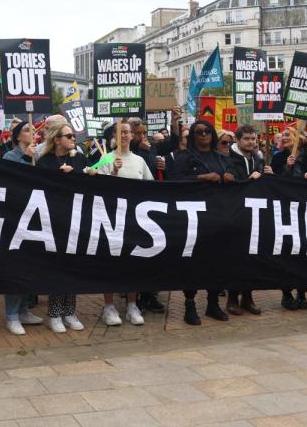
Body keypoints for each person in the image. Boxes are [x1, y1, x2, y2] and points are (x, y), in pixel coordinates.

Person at [168, 120, 234, 324]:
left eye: (207, 131)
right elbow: (174, 181)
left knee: (217, 261)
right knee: (193, 262)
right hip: (193, 218)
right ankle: (190, 304)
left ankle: (213, 303)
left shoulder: (221, 157)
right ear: (193, 136)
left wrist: (231, 177)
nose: (203, 135)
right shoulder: (183, 157)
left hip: (217, 217)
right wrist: (202, 177)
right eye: (198, 132)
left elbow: (234, 178)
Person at [36, 123, 95, 332]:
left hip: (77, 218)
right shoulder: (45, 161)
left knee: (73, 265)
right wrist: (58, 174)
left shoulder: (79, 158)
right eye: (69, 135)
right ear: (57, 139)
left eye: (74, 135)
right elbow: (40, 188)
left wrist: (84, 174)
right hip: (55, 220)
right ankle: (54, 313)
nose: (73, 139)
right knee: (58, 267)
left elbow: (86, 182)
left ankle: (70, 311)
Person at [97, 122, 152, 326]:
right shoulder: (105, 158)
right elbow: (97, 188)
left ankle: (132, 305)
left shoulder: (139, 160)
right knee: (111, 263)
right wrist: (112, 172)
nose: (125, 135)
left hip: (135, 219)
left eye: (128, 132)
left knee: (133, 263)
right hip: (111, 219)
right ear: (114, 135)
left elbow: (151, 187)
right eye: (121, 132)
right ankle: (109, 307)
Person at [0, 120, 45, 335]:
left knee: (31, 267)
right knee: (16, 268)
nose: (32, 133)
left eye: (34, 130)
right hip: (16, 218)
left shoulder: (39, 155)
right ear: (18, 137)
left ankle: (25, 309)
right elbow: (15, 181)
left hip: (35, 218)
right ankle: (12, 315)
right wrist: (26, 158)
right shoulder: (11, 157)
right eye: (27, 130)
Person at [226, 124, 273, 316]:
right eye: (247, 139)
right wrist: (248, 179)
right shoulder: (227, 159)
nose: (251, 142)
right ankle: (232, 298)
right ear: (237, 140)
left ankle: (248, 297)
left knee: (253, 257)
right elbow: (229, 185)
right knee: (235, 258)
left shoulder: (258, 158)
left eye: (254, 139)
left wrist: (269, 177)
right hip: (234, 215)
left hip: (254, 216)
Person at [270, 129, 307, 311]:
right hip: (285, 210)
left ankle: (302, 293)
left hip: (306, 208)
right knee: (287, 251)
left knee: (304, 251)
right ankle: (287, 293)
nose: (286, 138)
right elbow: (274, 181)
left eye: (290, 135)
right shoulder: (279, 158)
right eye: (284, 136)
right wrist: (287, 167)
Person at [128, 118, 167, 314]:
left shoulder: (150, 150)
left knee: (153, 250)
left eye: (144, 133)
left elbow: (151, 173)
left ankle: (150, 295)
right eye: (137, 133)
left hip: (150, 207)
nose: (142, 137)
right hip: (131, 208)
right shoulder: (127, 152)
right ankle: (135, 296)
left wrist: (161, 167)